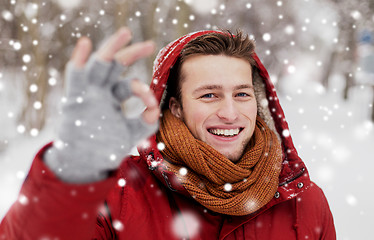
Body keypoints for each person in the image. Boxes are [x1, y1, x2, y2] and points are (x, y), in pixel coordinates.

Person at [0, 27, 336, 239]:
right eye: (209, 95)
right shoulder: (117, 193)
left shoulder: (302, 201)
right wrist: (71, 172)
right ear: (174, 106)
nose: (230, 112)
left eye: (242, 93)